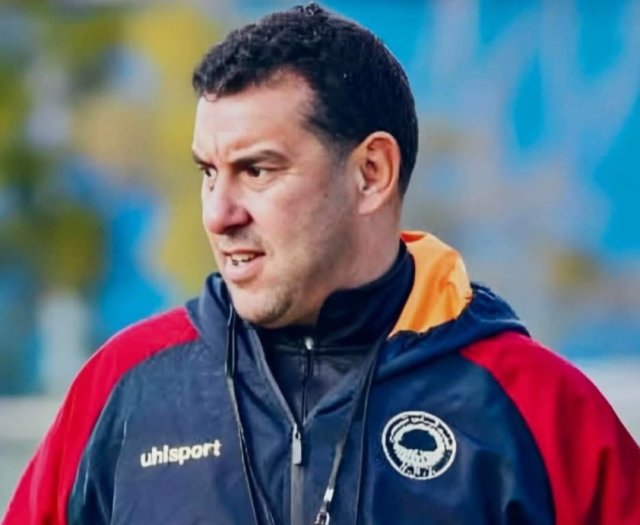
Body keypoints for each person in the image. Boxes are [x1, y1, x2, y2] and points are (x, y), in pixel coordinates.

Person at [3, 3, 640, 525]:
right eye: (208, 173)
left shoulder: (541, 410)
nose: (218, 214)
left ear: (371, 173)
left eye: (257, 170)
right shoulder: (124, 386)